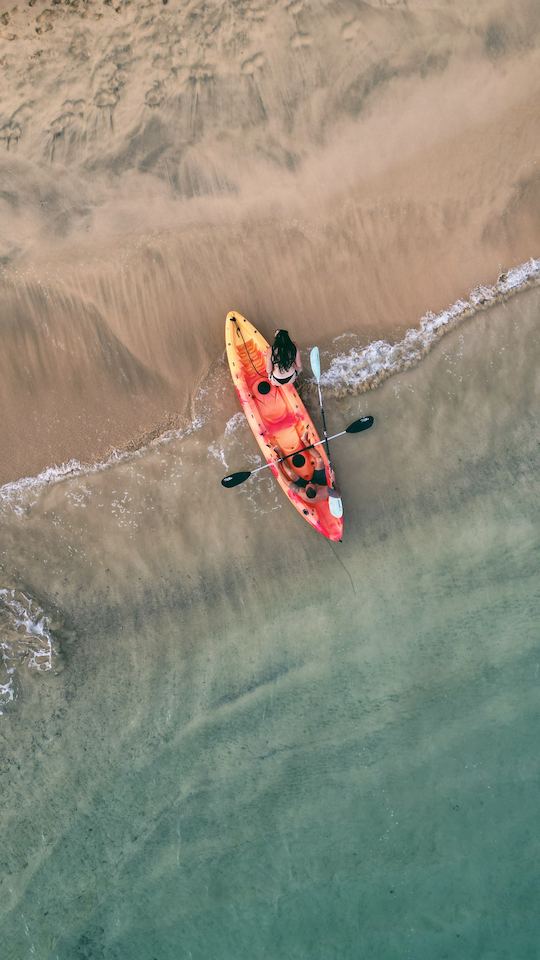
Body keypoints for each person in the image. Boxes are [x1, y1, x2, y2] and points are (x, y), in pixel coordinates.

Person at [274, 431, 340, 504]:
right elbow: (338, 495)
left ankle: (280, 453)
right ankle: (304, 440)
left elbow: (287, 482)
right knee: (320, 460)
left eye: (309, 483)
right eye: (311, 483)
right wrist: (334, 480)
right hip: (320, 481)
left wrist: (277, 467)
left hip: (304, 484)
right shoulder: (325, 491)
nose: (309, 481)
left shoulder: (301, 492)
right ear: (316, 488)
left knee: (290, 473)